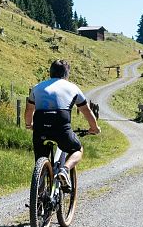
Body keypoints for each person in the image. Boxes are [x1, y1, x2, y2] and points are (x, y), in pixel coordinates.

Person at [24, 59, 100, 189]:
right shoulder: (73, 87)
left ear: (50, 73)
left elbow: (29, 110)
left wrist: (28, 124)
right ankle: (64, 169)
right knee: (77, 149)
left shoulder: (37, 87)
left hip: (40, 124)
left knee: (40, 159)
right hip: (61, 124)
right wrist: (94, 128)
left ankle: (39, 196)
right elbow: (86, 111)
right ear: (67, 74)